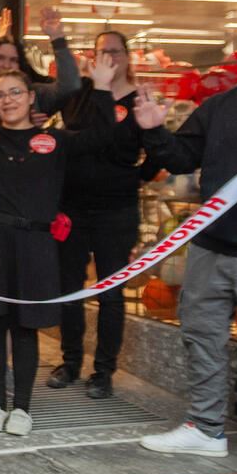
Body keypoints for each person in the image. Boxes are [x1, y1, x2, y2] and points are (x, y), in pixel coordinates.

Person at [0, 13, 118, 437]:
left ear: (32, 98)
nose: (8, 99)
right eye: (0, 95)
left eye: (16, 92)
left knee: (25, 327)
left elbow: (102, 138)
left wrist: (103, 89)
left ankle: (23, 408)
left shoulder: (54, 141)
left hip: (34, 245)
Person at [137, 0, 237, 474]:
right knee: (201, 339)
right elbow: (180, 159)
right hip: (211, 246)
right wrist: (154, 131)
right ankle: (205, 428)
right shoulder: (220, 106)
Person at [0, 6, 83, 400]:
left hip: (23, 216)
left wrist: (57, 38)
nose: (5, 65)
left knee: (16, 303)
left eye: (12, 60)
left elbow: (70, 85)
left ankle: (4, 369)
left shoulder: (34, 105)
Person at [48, 30, 153, 398]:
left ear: (128, 56)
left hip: (116, 211)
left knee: (111, 293)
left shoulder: (140, 100)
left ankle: (103, 371)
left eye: (115, 51)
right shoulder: (79, 96)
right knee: (69, 290)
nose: (108, 57)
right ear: (92, 57)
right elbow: (78, 139)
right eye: (101, 51)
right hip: (73, 209)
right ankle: (71, 362)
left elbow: (151, 149)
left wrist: (135, 177)